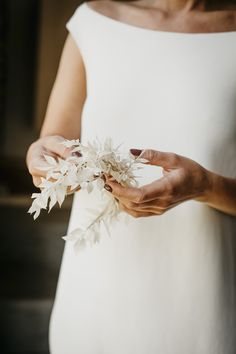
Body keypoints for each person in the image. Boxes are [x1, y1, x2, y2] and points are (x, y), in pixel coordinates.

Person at [26, 0, 236, 353]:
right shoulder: (93, 23)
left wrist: (205, 186)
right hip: (95, 299)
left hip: (207, 304)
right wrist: (42, 158)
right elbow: (52, 144)